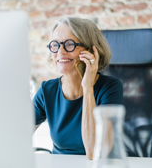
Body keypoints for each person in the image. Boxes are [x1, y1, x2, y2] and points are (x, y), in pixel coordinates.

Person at [33, 17, 123, 160]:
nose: (60, 52)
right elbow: (16, 137)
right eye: (55, 45)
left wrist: (88, 88)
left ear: (91, 50)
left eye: (70, 44)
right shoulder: (47, 91)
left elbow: (94, 152)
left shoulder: (110, 88)